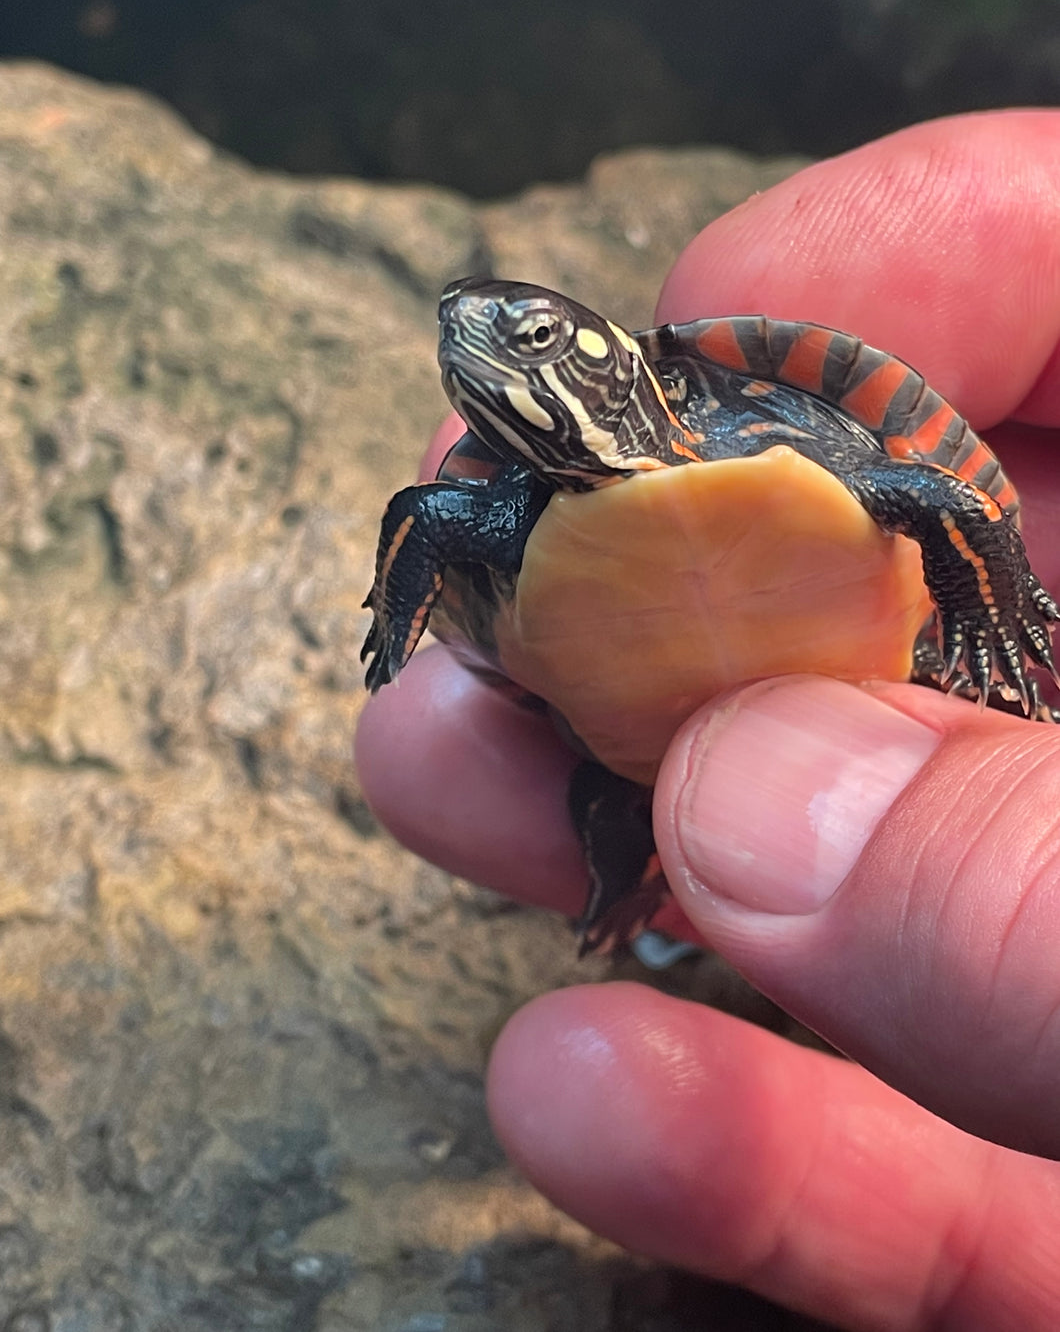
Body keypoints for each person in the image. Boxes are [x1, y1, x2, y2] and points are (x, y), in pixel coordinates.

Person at [356, 110, 1060, 1329]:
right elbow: (432, 510)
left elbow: (937, 494)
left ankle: (674, 916)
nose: (474, 342)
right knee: (608, 801)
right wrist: (400, 607)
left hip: (908, 663)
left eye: (524, 336)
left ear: (602, 360)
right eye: (466, 341)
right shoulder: (504, 507)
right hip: (640, 734)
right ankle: (627, 898)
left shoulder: (763, 421)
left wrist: (989, 604)